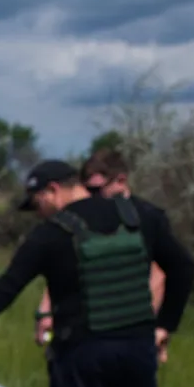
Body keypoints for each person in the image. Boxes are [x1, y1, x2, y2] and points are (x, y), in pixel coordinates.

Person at [0, 159, 194, 387]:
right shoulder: (141, 217)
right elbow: (183, 267)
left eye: (37, 204)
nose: (39, 214)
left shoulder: (50, 234)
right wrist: (165, 325)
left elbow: (6, 288)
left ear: (53, 190)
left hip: (82, 357)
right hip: (137, 351)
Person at [34, 148, 170, 364]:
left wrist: (150, 329)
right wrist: (46, 310)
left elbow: (159, 274)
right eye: (88, 189)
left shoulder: (145, 217)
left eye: (97, 190)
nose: (90, 196)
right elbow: (66, 266)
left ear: (121, 180)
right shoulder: (84, 217)